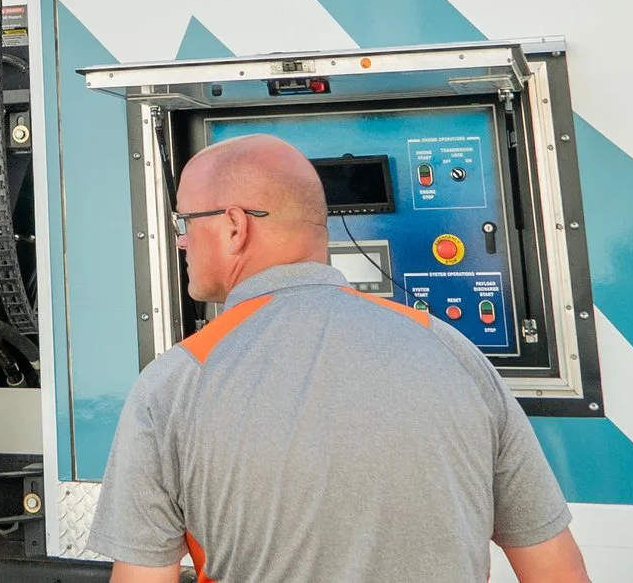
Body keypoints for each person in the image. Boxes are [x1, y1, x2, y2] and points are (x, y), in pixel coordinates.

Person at [87, 133, 590, 583]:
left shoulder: (175, 384)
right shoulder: (453, 350)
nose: (179, 239)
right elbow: (557, 571)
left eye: (184, 221)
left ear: (236, 227)